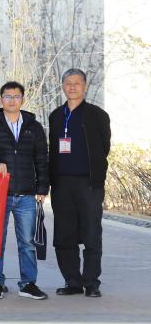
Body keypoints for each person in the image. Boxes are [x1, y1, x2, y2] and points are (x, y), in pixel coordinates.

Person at [0, 81, 50, 301]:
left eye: (16, 96)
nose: (12, 100)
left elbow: (42, 158)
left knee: (27, 242)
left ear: (22, 100)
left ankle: (28, 283)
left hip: (26, 194)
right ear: (0, 99)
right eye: (7, 96)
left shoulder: (33, 127)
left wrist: (42, 187)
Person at [48, 68, 111, 298]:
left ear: (85, 86)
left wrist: (96, 176)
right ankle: (72, 281)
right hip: (62, 184)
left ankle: (91, 283)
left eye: (77, 83)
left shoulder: (97, 115)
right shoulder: (56, 115)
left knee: (91, 233)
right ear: (62, 86)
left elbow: (104, 147)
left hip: (88, 184)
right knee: (64, 234)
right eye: (68, 83)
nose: (72, 87)